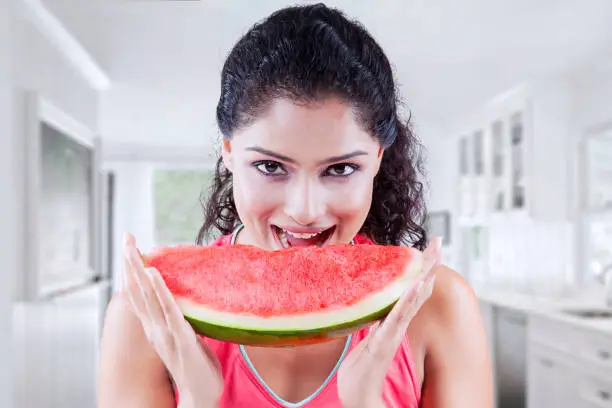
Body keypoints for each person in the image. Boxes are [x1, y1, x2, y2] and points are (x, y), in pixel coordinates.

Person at [97, 4, 492, 407]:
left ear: (377, 157)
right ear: (229, 152)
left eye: (340, 169)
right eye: (270, 166)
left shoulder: (441, 307)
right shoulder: (143, 316)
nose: (305, 210)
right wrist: (199, 399)